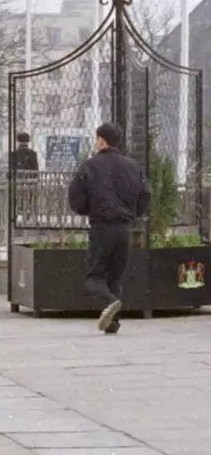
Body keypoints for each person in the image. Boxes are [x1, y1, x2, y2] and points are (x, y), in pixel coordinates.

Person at [68, 122, 151, 333]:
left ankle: (110, 301)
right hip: (124, 228)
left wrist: (89, 210)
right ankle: (113, 323)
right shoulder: (133, 166)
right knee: (115, 277)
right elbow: (145, 195)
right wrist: (133, 213)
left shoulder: (90, 166)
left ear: (101, 140)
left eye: (97, 139)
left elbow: (76, 197)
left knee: (94, 278)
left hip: (101, 226)